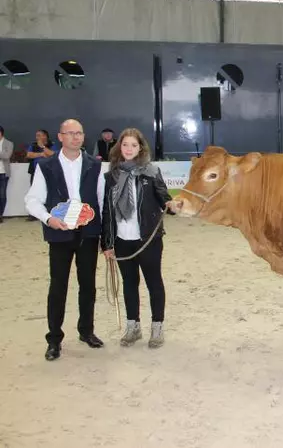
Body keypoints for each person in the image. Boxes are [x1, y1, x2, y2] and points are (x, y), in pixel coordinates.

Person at [24, 119, 106, 361]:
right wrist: (49, 219)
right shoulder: (46, 165)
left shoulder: (95, 165)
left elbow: (102, 201)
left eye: (79, 133)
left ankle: (86, 331)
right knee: (58, 286)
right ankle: (54, 339)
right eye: (70, 133)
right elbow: (32, 200)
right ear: (60, 137)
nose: (75, 137)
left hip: (89, 233)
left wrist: (106, 235)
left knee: (88, 285)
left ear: (83, 136)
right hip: (59, 233)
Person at [102, 128, 173, 348]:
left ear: (140, 147)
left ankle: (157, 328)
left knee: (154, 283)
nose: (129, 149)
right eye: (125, 145)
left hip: (148, 239)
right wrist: (107, 243)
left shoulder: (151, 172)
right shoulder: (112, 175)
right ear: (119, 147)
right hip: (123, 240)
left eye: (134, 145)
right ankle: (133, 327)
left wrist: (172, 205)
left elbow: (164, 198)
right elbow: (107, 211)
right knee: (129, 284)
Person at [0, 126, 13, 223]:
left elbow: (6, 156)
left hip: (3, 173)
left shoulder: (9, 143)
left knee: (2, 195)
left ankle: (0, 214)